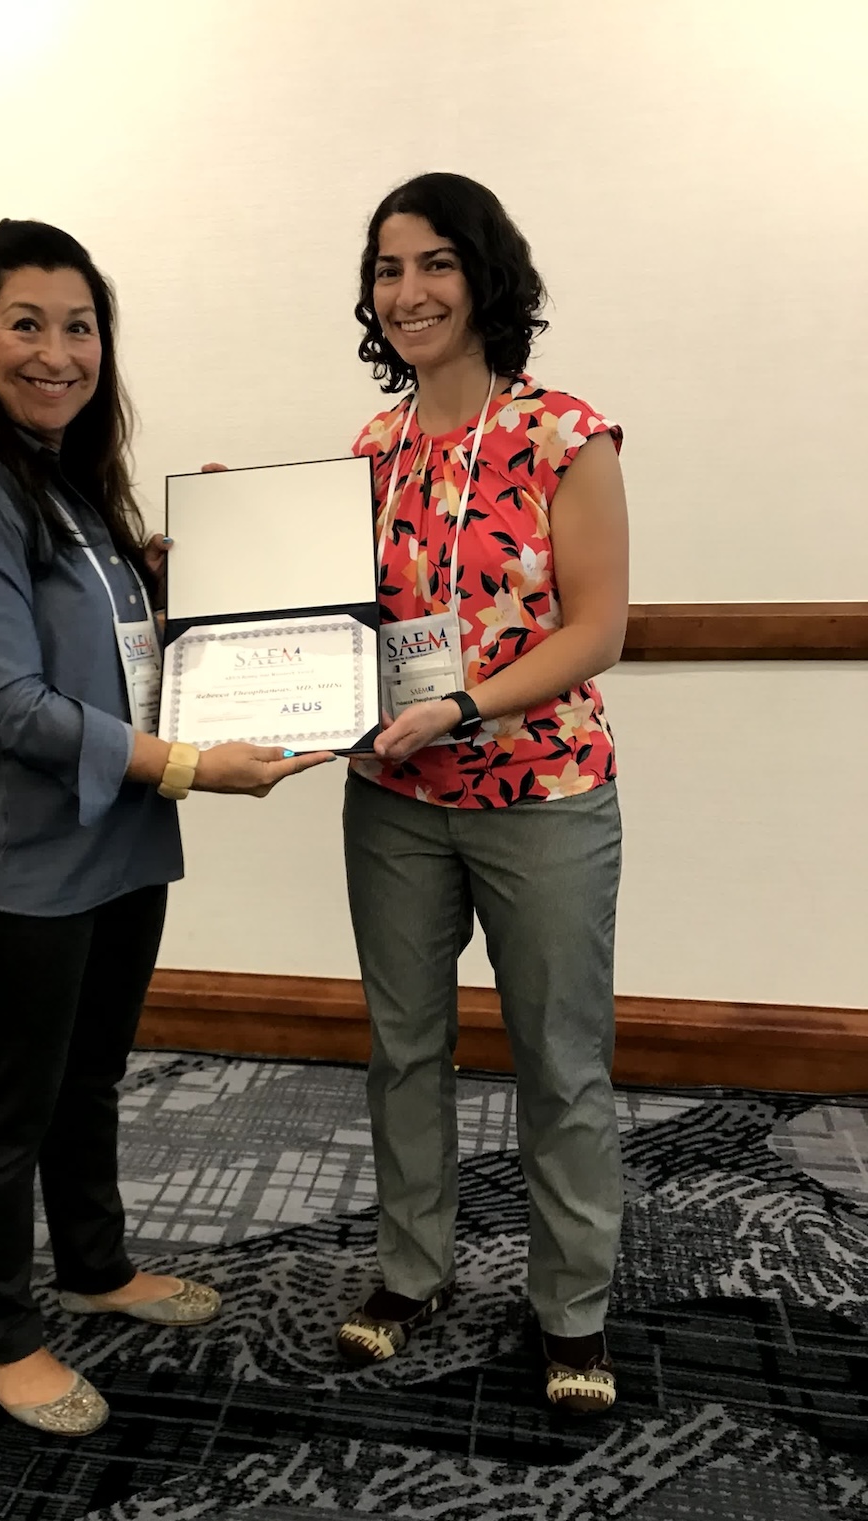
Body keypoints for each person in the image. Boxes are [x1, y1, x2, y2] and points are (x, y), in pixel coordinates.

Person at [0, 219, 331, 1436]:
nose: (57, 351)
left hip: (114, 843)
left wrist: (202, 562)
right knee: (5, 1104)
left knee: (91, 1078)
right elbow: (3, 700)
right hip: (8, 864)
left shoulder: (63, 486)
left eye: (81, 326)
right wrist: (191, 765)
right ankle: (2, 1338)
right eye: (27, 322)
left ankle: (93, 1263)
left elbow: (106, 644)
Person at [336, 173, 629, 1413]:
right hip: (395, 794)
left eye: (437, 264)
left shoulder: (566, 433)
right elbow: (332, 621)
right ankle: (415, 1269)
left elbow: (600, 629)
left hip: (541, 789)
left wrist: (464, 705)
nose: (411, 293)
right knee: (405, 1047)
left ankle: (572, 1309)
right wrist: (228, 556)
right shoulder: (364, 451)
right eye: (390, 269)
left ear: (486, 276)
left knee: (559, 1058)